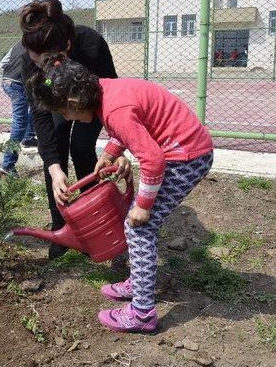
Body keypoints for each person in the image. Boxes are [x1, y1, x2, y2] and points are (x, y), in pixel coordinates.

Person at [27, 54, 214, 333]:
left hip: (185, 157)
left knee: (139, 227)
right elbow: (132, 125)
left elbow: (152, 160)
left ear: (75, 104)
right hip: (185, 149)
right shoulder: (106, 90)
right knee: (136, 225)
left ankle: (141, 314)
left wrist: (144, 204)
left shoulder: (115, 110)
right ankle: (139, 282)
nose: (66, 118)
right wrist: (112, 151)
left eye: (65, 113)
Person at [20, 0, 118, 259]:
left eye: (47, 61)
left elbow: (111, 94)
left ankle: (95, 221)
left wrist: (115, 146)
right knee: (56, 152)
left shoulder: (91, 44)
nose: (41, 66)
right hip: (58, 106)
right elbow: (40, 115)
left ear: (67, 46)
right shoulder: (29, 58)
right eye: (35, 61)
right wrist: (53, 168)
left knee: (82, 147)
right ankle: (61, 228)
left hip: (93, 103)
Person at [0, 42, 37, 177]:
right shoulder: (39, 44)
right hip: (18, 84)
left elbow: (2, 64)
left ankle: (28, 136)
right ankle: (7, 164)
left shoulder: (17, 44)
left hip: (8, 81)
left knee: (37, 104)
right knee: (19, 123)